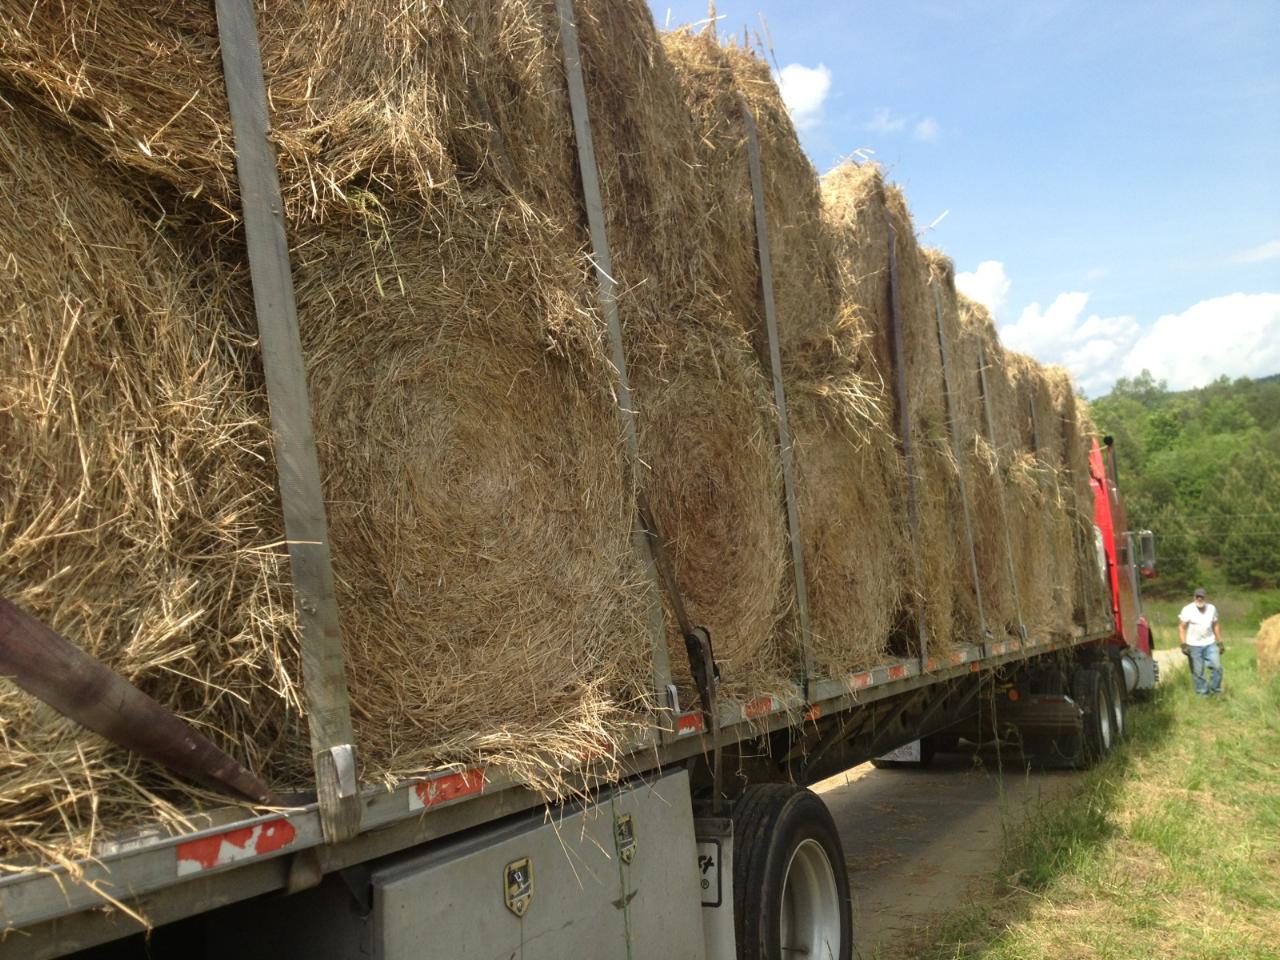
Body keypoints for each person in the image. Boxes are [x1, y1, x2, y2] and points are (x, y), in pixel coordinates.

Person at [1179, 587, 1224, 696]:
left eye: (1201, 596)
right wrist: (1183, 644)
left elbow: (1216, 625)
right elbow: (1182, 627)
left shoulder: (1212, 608)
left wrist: (1220, 642)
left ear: (1205, 597)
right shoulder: (1187, 609)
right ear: (1194, 597)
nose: (1199, 599)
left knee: (1217, 667)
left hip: (1210, 642)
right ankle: (1202, 694)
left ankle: (1215, 691)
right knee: (1198, 672)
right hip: (1193, 645)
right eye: (1197, 596)